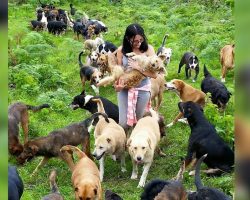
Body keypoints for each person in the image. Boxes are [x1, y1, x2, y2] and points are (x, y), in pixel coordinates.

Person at [114, 23, 158, 132]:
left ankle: (135, 143)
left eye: (141, 40)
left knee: (138, 121)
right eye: (135, 41)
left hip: (142, 90)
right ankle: (123, 142)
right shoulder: (121, 50)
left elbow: (154, 75)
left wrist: (138, 68)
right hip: (125, 89)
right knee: (123, 124)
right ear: (127, 39)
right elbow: (119, 72)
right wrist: (117, 86)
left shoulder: (149, 50)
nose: (138, 43)